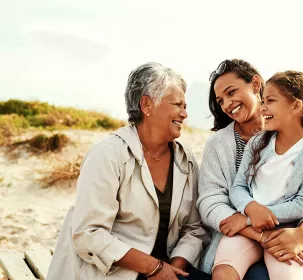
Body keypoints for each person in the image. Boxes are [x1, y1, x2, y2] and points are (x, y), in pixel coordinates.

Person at [47, 62, 210, 280]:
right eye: (177, 105)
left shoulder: (185, 159)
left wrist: (174, 269)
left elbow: (194, 228)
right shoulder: (107, 155)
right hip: (115, 273)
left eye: (185, 106)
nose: (184, 114)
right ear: (147, 105)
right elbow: (89, 234)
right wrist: (153, 267)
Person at [197, 59, 303, 280]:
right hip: (239, 234)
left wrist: (302, 233)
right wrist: (254, 225)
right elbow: (210, 203)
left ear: (256, 84)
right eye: (221, 101)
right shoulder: (220, 144)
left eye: (232, 92)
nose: (227, 104)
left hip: (285, 232)